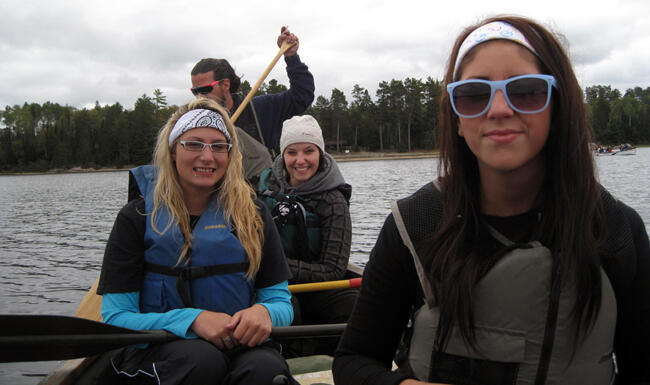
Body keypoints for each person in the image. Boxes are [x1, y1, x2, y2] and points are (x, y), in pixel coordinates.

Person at [333, 16, 650, 385]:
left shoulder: (617, 231)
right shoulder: (415, 223)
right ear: (456, 118)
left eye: (526, 90)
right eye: (473, 95)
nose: (498, 109)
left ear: (557, 106)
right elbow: (354, 360)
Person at [94, 98, 298, 385]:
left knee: (266, 371)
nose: (207, 157)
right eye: (194, 144)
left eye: (218, 146)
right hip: (158, 348)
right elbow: (116, 318)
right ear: (173, 151)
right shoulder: (136, 217)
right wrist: (193, 320)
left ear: (230, 155)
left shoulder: (253, 214)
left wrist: (264, 312)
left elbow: (281, 303)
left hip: (239, 347)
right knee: (203, 361)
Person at [257, 115, 357, 356]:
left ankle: (331, 362)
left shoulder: (334, 201)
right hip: (271, 286)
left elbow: (333, 270)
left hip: (317, 289)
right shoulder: (263, 191)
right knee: (286, 308)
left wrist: (278, 266)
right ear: (283, 155)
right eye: (292, 152)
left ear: (320, 154)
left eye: (309, 151)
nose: (300, 160)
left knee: (352, 303)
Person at [190, 27, 315, 184]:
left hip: (261, 199)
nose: (200, 97)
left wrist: (291, 57)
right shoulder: (193, 124)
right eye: (195, 92)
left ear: (226, 85)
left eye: (205, 89)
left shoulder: (261, 109)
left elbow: (302, 95)